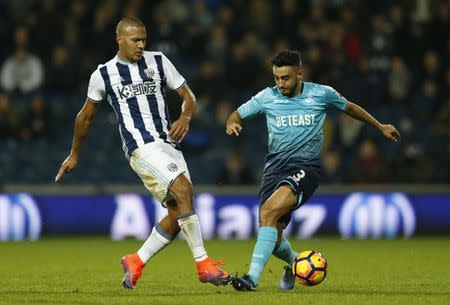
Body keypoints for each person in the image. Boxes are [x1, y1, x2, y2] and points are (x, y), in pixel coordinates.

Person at [55, 17, 231, 289]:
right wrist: (74, 154)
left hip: (169, 144)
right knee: (183, 191)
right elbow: (85, 118)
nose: (141, 45)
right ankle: (204, 265)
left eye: (144, 39)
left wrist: (185, 116)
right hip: (141, 148)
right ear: (119, 40)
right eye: (135, 40)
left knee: (178, 212)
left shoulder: (158, 61)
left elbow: (188, 96)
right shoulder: (103, 74)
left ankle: (136, 260)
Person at [225, 50, 400, 291]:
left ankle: (251, 279)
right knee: (272, 234)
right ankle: (296, 263)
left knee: (268, 211)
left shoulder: (321, 93)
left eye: (285, 78)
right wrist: (233, 122)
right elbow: (237, 113)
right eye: (276, 78)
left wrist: (380, 126)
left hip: (305, 167)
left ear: (300, 74)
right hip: (274, 169)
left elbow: (349, 108)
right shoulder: (267, 97)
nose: (280, 83)